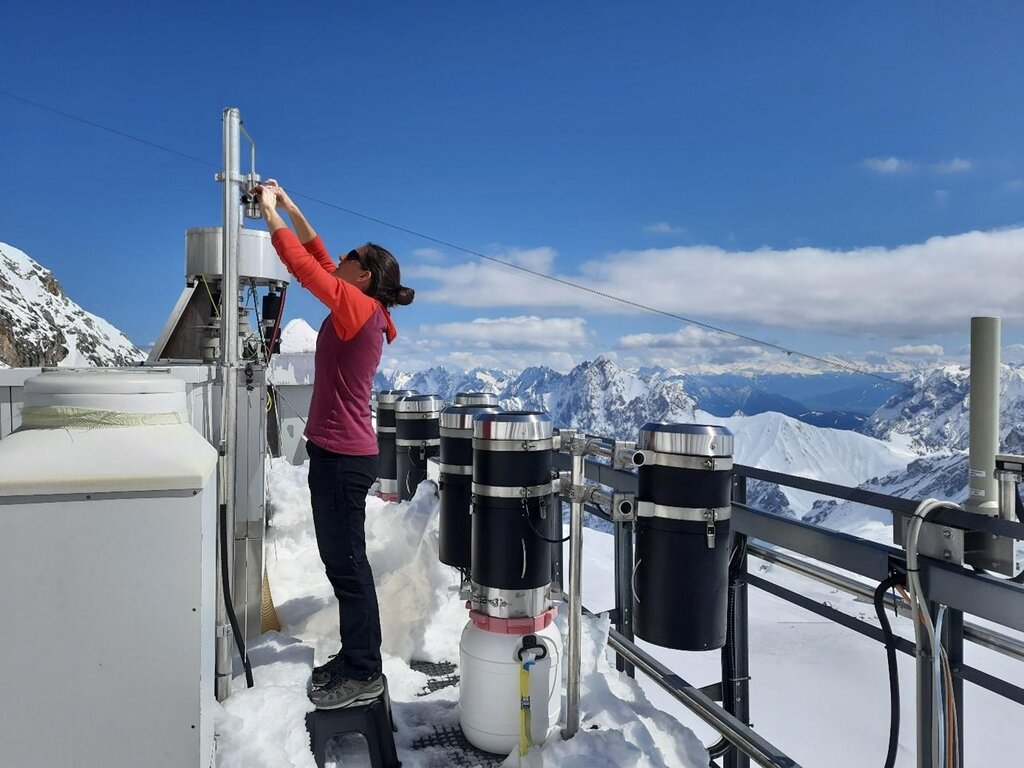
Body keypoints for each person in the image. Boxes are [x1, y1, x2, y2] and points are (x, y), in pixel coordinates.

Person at [257, 180, 414, 709]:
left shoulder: (358, 310)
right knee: (342, 562)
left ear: (363, 275)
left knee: (347, 565)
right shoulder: (361, 305)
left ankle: (364, 670)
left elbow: (303, 267)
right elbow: (320, 258)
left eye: (350, 256)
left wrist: (269, 213)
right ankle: (355, 658)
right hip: (340, 453)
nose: (339, 256)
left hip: (343, 458)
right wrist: (294, 208)